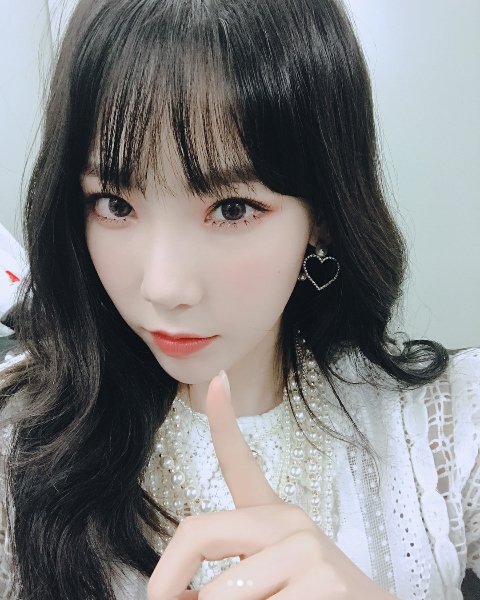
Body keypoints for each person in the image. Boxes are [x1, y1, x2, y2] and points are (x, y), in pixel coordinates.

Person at [0, 0, 478, 598]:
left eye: (231, 209)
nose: (164, 287)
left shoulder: (447, 428)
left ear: (322, 215)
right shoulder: (18, 442)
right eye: (115, 204)